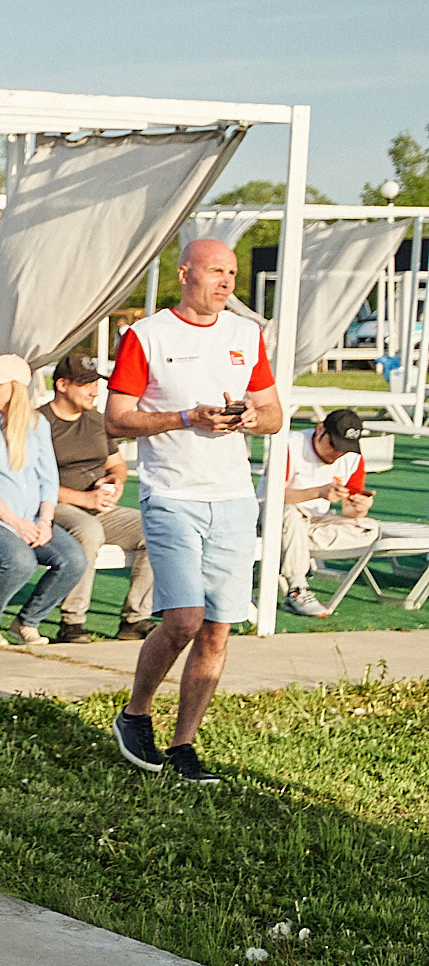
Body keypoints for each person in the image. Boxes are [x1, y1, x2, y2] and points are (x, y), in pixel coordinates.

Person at [105, 238, 283, 783]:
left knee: (217, 630)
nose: (227, 282)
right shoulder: (148, 335)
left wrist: (249, 420)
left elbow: (274, 413)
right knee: (183, 619)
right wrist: (185, 418)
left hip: (231, 495)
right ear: (185, 274)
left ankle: (184, 746)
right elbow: (116, 419)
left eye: (231, 272)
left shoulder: (245, 334)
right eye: (215, 271)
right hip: (172, 493)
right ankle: (135, 715)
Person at [0, 355, 86, 646]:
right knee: (19, 560)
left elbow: (49, 478)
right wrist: (15, 523)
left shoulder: (36, 424)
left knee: (73, 559)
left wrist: (45, 521)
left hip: (28, 520)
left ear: (16, 389)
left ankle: (27, 621)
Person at [42, 353, 154, 642]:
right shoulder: (38, 423)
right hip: (52, 508)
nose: (95, 390)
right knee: (89, 531)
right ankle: (72, 622)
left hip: (97, 507)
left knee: (156, 528)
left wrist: (116, 480)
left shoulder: (96, 420)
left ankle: (135, 619)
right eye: (86, 384)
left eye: (96, 383)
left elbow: (115, 462)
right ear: (63, 385)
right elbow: (29, 483)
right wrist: (84, 499)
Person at [275, 407, 377, 617]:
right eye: (334, 444)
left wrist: (359, 508)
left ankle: (294, 546)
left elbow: (349, 510)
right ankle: (297, 588)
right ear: (320, 428)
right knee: (290, 513)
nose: (337, 453)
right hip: (276, 515)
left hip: (316, 522)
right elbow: (274, 496)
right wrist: (318, 492)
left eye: (345, 448)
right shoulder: (290, 445)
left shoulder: (353, 458)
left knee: (369, 528)